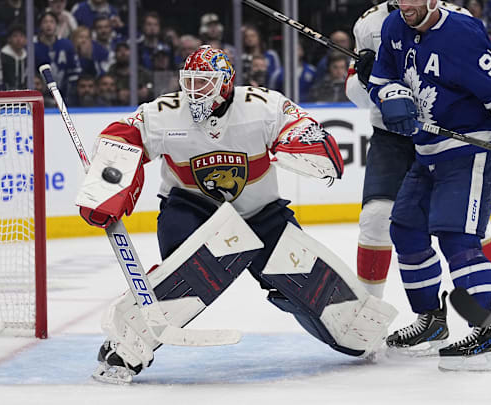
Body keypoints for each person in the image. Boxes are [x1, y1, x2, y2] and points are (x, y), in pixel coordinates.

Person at [75, 45, 397, 384]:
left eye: (204, 83)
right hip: (192, 208)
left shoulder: (262, 106)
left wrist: (306, 147)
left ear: (226, 83)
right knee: (188, 275)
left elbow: (305, 128)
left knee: (299, 275)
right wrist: (108, 177)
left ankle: (357, 331)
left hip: (261, 214)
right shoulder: (165, 113)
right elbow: (121, 136)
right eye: (190, 82)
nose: (193, 91)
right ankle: (125, 342)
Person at [366, 0, 491, 371]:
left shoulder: (461, 34)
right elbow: (381, 79)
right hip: (427, 152)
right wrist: (389, 95)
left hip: (470, 150)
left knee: (456, 237)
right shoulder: (395, 26)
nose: (404, 4)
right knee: (406, 230)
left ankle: (488, 333)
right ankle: (432, 321)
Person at [346, 0, 491, 322]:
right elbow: (354, 88)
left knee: (465, 227)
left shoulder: (460, 20)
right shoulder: (370, 23)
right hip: (393, 135)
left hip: (446, 133)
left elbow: (490, 81)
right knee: (380, 218)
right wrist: (368, 80)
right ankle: (367, 316)